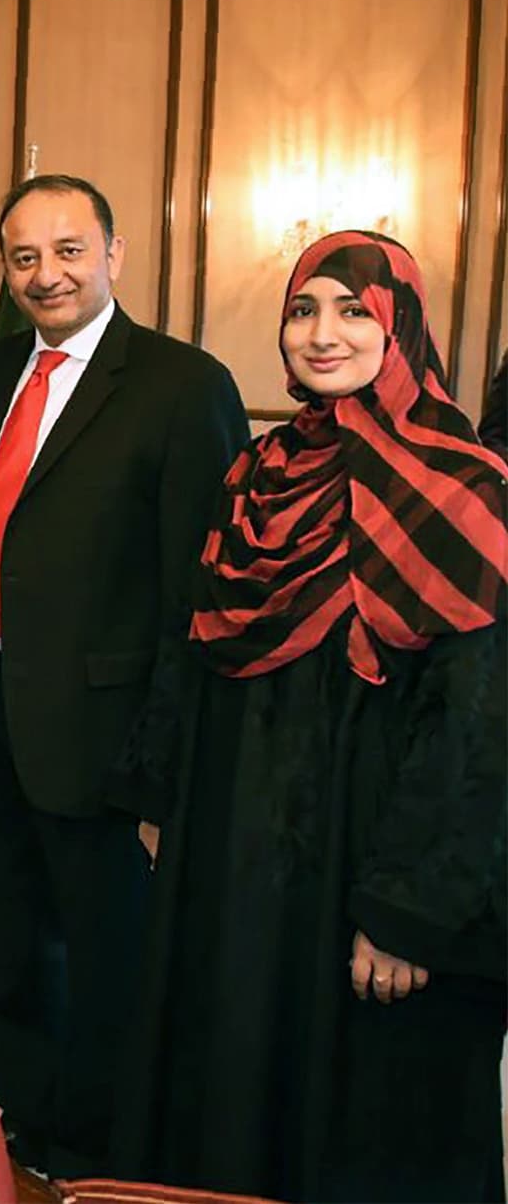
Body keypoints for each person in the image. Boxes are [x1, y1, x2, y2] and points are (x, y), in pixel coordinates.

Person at [116, 232, 508, 1203]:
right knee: (229, 1060)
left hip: (363, 861)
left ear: (398, 324)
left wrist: (407, 914)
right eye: (302, 310)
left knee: (353, 1113)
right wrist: (159, 790)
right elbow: (192, 638)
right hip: (233, 851)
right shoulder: (257, 471)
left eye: (349, 310)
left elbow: (475, 729)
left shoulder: (463, 487)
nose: (320, 333)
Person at [0, 174, 247, 1175]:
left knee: (106, 965)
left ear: (113, 254)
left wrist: (161, 772)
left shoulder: (179, 384)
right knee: (8, 946)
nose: (45, 273)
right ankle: (28, 1135)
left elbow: (194, 598)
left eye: (68, 250)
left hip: (106, 735)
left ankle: (110, 1159)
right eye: (23, 256)